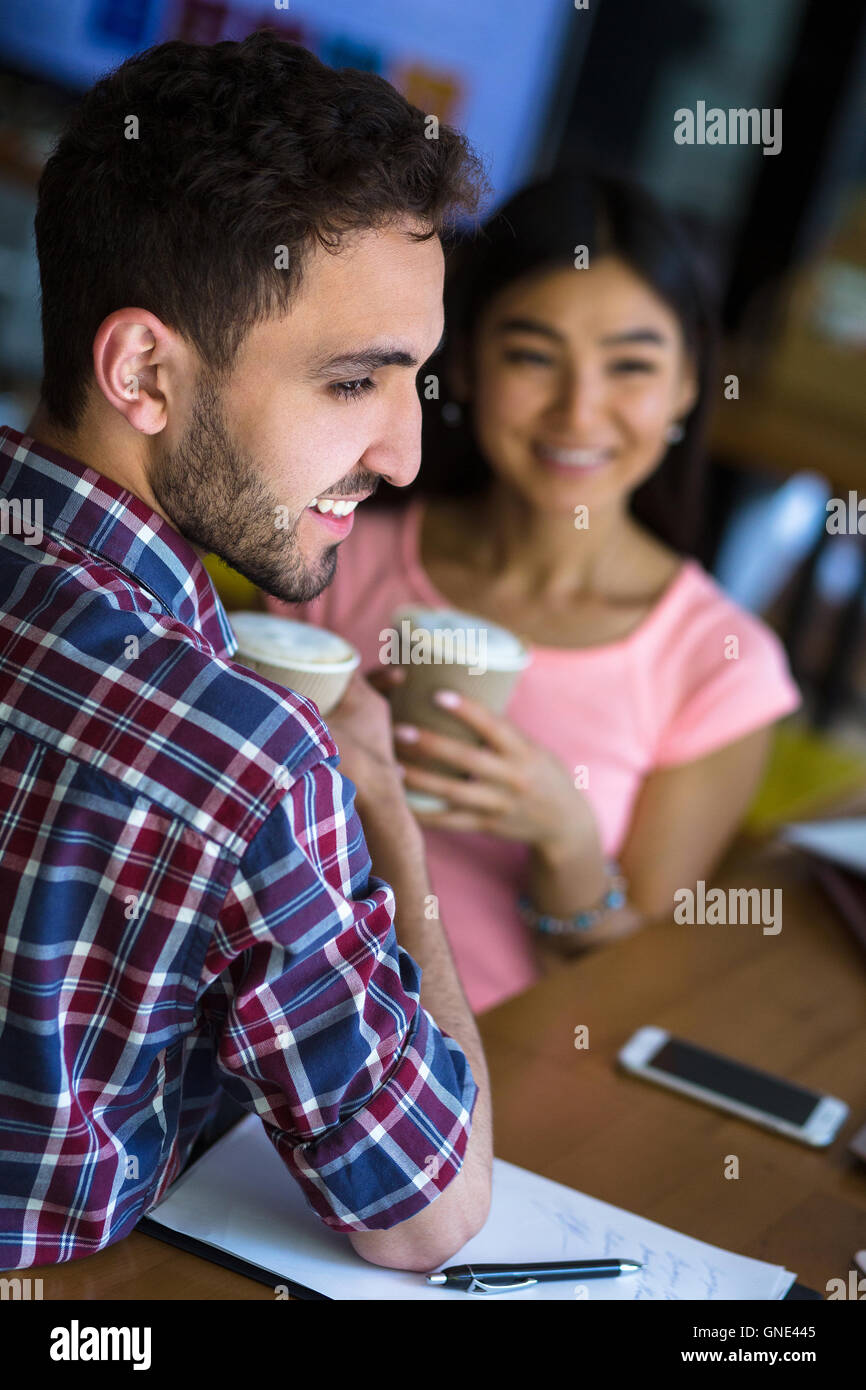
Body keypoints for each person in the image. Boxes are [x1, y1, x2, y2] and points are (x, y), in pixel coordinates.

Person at [0, 32, 494, 1274]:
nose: (402, 455)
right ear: (145, 370)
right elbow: (423, 1210)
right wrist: (377, 797)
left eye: (412, 383)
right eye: (349, 383)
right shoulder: (250, 760)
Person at [264, 168, 801, 1015]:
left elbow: (637, 993)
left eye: (631, 366)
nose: (579, 412)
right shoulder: (332, 551)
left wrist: (566, 838)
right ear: (466, 362)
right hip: (270, 1043)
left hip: (493, 1094)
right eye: (532, 356)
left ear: (689, 385)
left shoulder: (719, 665)